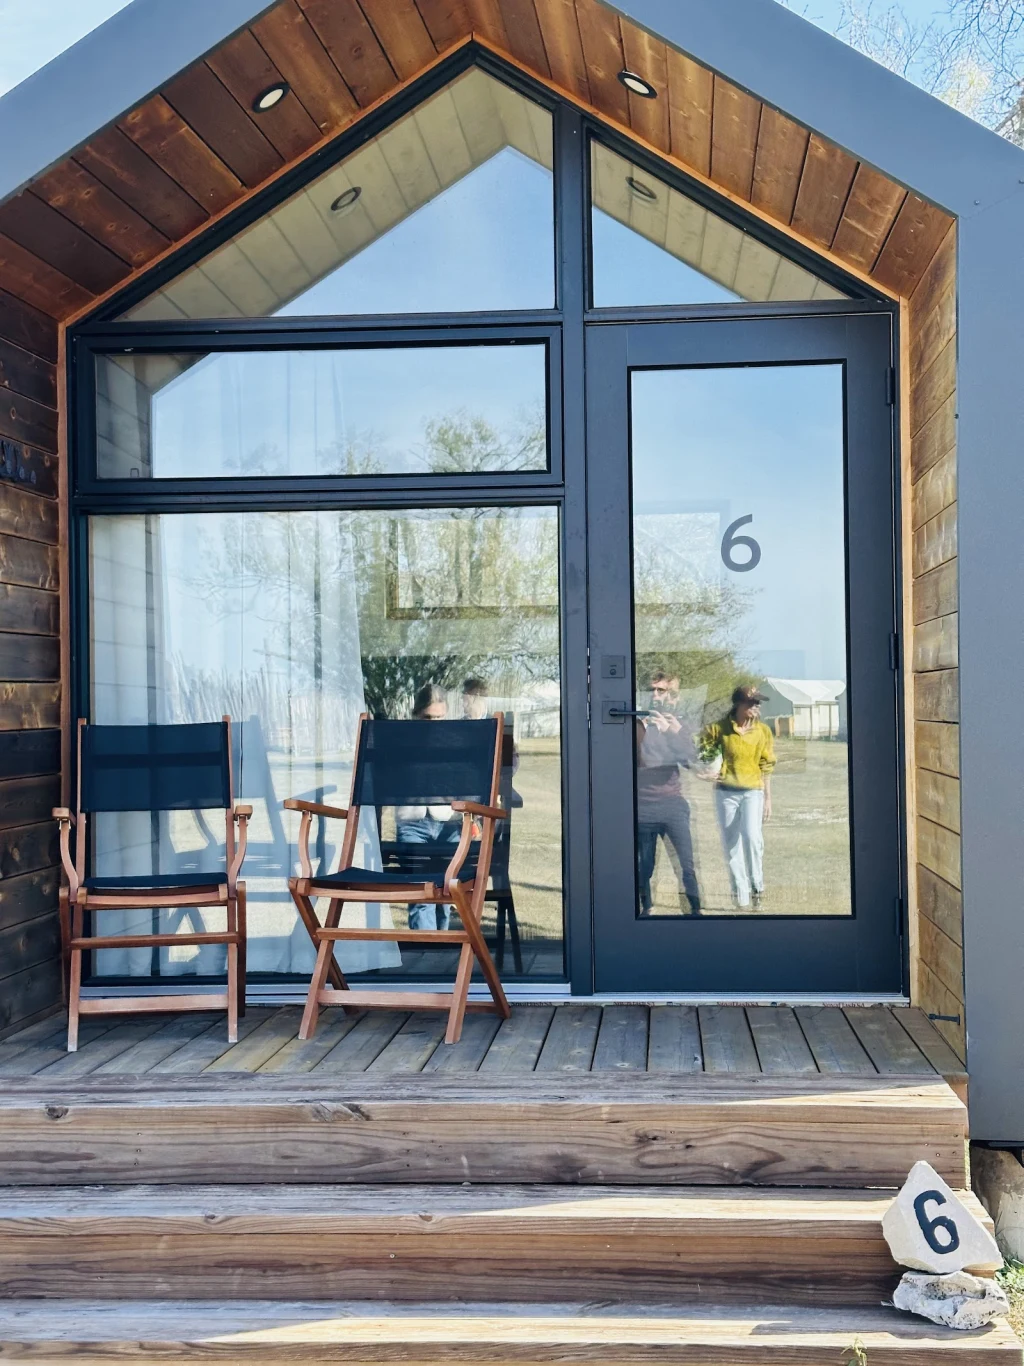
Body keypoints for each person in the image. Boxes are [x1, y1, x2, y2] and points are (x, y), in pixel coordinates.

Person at [699, 684, 776, 910]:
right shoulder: (718, 729)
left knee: (752, 837)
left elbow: (767, 765)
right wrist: (704, 770)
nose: (757, 707)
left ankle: (757, 887)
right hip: (726, 794)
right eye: (752, 703)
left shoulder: (763, 731)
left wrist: (768, 799)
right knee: (731, 845)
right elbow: (702, 751)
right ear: (739, 705)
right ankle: (741, 897)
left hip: (753, 791)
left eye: (758, 703)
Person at [396, 683, 461, 931]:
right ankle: (427, 951)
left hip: (448, 822)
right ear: (415, 715)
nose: (434, 724)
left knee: (446, 896)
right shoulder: (401, 744)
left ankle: (440, 954)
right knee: (421, 895)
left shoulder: (457, 743)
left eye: (439, 718)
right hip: (413, 822)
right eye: (427, 718)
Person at [636, 671, 702, 916]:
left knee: (685, 864)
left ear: (670, 695)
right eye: (651, 689)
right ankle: (645, 909)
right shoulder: (636, 724)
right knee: (643, 867)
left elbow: (690, 760)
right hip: (642, 806)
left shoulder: (676, 725)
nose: (655, 695)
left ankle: (693, 913)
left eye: (661, 690)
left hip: (672, 804)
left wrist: (671, 732)